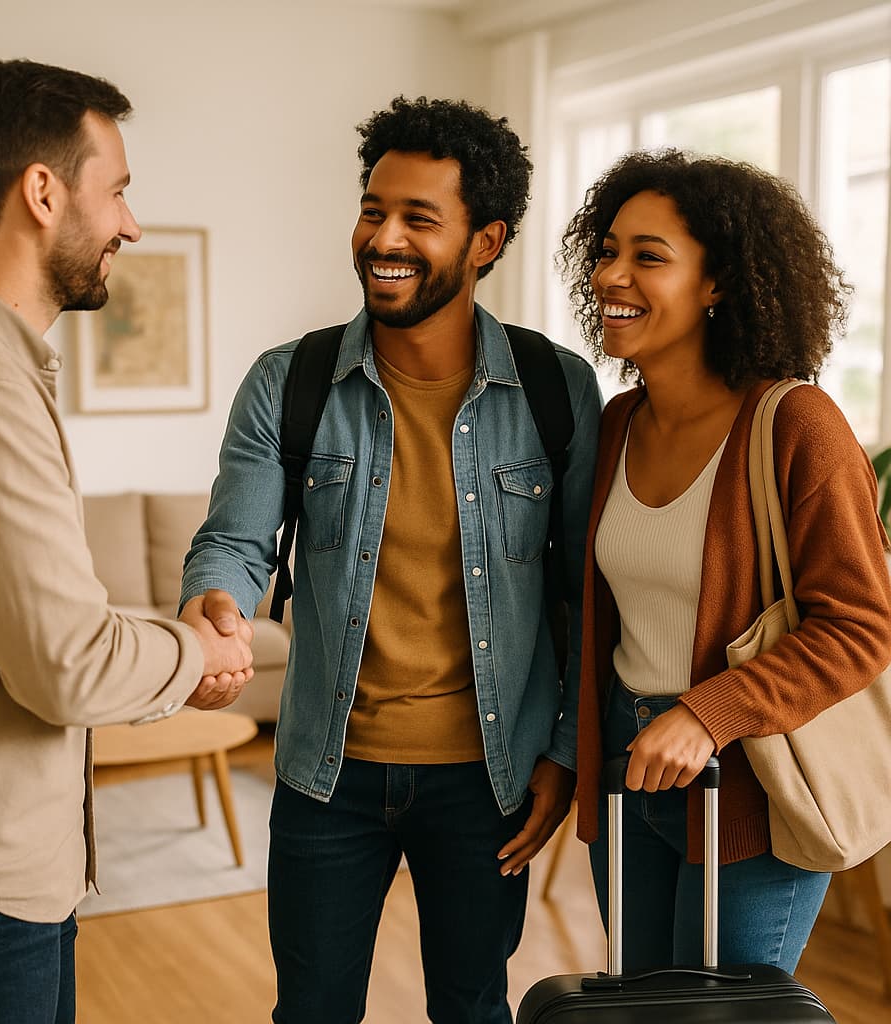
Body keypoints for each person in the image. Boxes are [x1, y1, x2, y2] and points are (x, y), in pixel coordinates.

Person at [180, 95, 602, 1023]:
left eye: (419, 217)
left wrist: (566, 754)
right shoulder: (289, 380)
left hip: (488, 779)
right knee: (313, 1011)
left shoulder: (555, 389)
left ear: (486, 241)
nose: (384, 237)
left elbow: (584, 595)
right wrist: (216, 604)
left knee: (471, 1007)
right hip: (326, 776)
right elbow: (235, 541)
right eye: (375, 209)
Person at [0, 59, 254, 1024]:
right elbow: (68, 664)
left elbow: (36, 624)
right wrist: (197, 650)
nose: (131, 221)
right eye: (116, 188)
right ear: (42, 192)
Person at [557, 148, 891, 972]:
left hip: (753, 779)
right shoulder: (616, 424)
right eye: (607, 251)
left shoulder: (797, 425)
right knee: (637, 1006)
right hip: (628, 770)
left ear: (718, 283)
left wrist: (712, 713)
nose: (613, 276)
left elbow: (860, 626)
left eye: (649, 257)